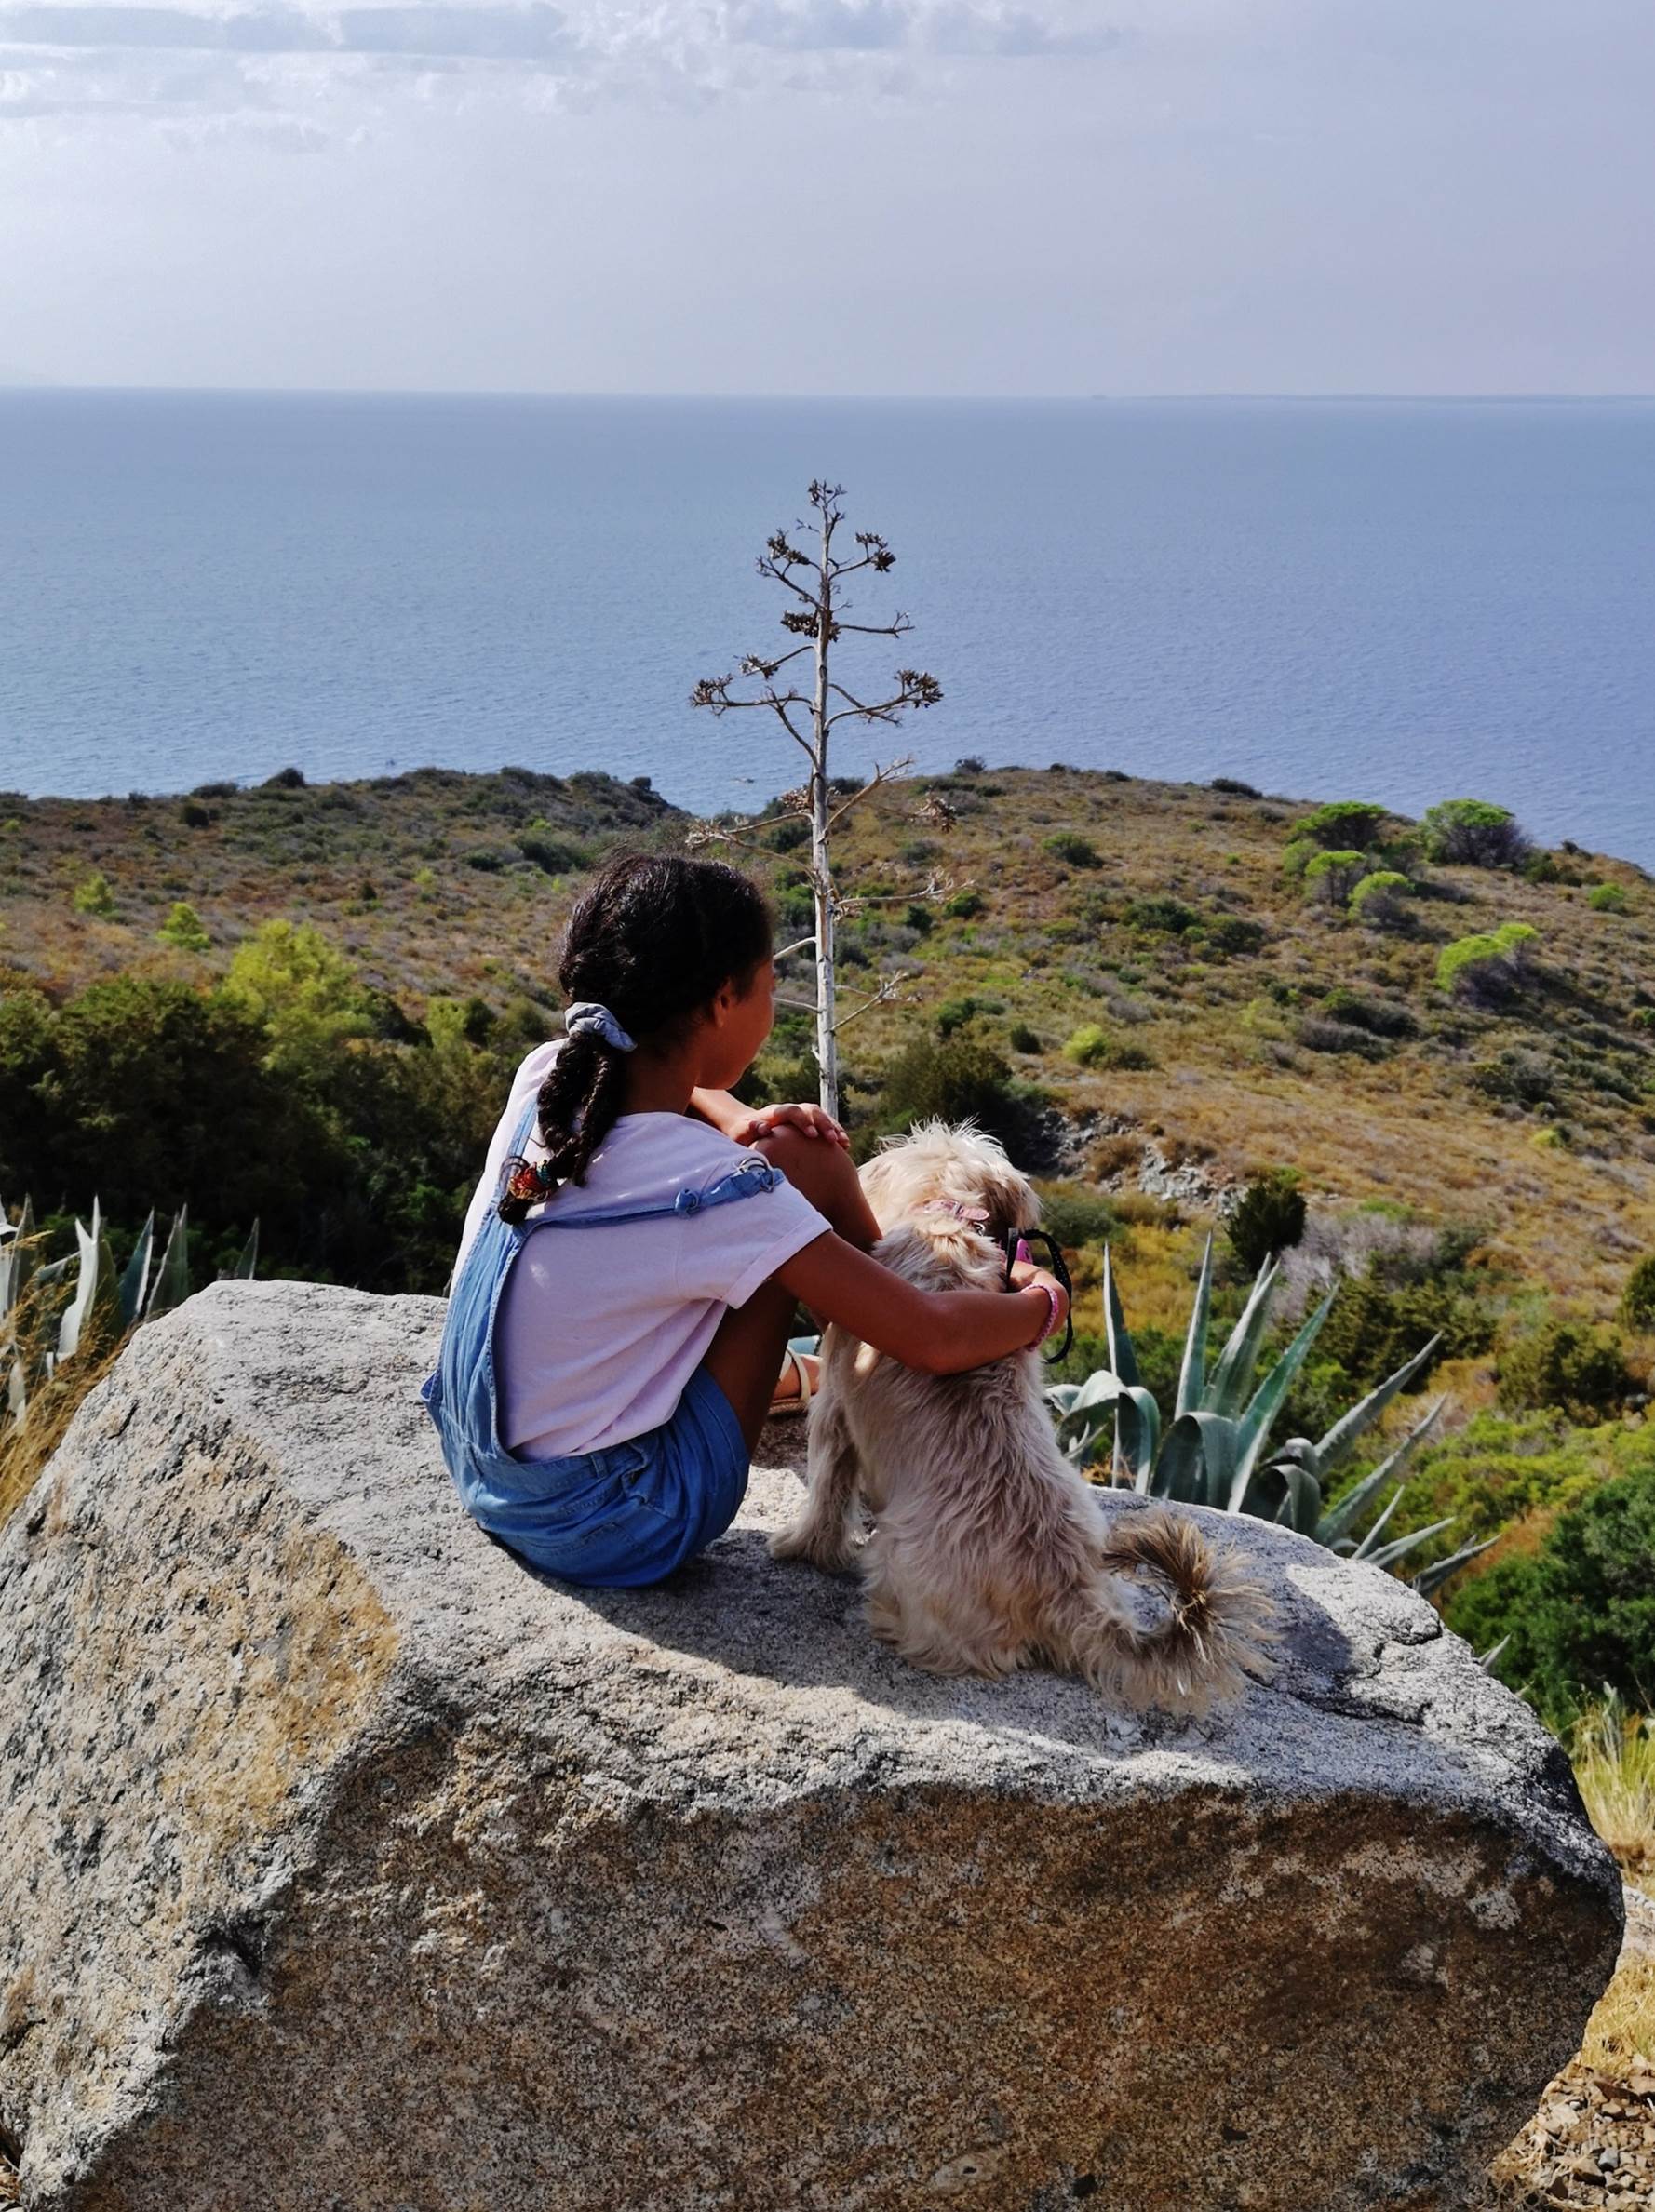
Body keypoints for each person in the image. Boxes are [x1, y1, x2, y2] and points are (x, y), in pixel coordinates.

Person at [420, 850, 1069, 1589]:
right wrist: (1040, 1302)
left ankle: (849, 1313)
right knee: (782, 1226)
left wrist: (744, 1117)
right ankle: (861, 1317)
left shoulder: (550, 1074)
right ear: (724, 998)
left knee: (787, 1176)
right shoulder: (722, 1192)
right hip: (613, 1522)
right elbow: (932, 1336)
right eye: (768, 983)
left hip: (477, 1462)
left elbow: (687, 1107)